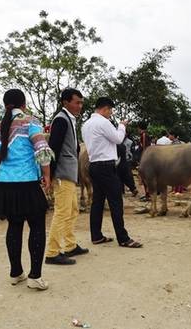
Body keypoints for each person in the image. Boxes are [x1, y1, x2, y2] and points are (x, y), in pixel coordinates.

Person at [0, 89, 54, 289]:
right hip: (28, 183)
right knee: (37, 227)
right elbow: (42, 150)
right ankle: (35, 277)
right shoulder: (30, 122)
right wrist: (47, 175)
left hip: (5, 184)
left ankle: (16, 273)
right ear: (23, 104)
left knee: (14, 226)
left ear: (5, 104)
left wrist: (2, 162)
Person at [82, 97, 142, 248]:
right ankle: (123, 238)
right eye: (111, 110)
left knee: (98, 202)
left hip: (94, 165)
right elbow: (117, 139)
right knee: (116, 202)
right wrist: (122, 126)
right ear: (106, 108)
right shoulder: (103, 122)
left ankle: (96, 235)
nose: (111, 114)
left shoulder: (86, 124)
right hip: (106, 166)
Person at [45, 88, 89, 266]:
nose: (80, 106)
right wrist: (50, 175)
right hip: (62, 174)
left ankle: (70, 245)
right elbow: (53, 148)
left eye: (81, 102)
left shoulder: (69, 119)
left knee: (72, 210)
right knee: (62, 212)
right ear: (65, 102)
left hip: (69, 173)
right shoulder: (61, 120)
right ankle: (52, 252)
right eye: (76, 102)